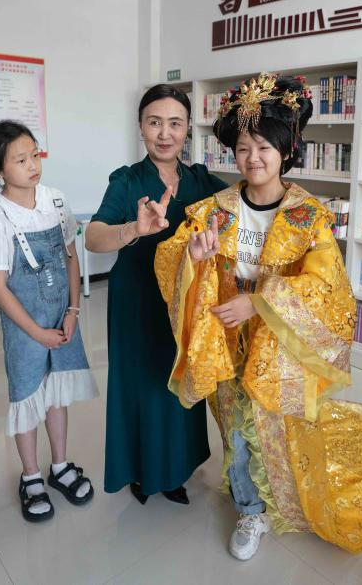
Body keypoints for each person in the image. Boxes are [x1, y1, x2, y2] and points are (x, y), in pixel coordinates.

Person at [155, 73, 362, 561]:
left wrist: (259, 301)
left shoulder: (309, 215)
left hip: (281, 342)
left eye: (264, 147)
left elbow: (326, 287)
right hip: (226, 337)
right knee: (234, 427)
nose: (253, 158)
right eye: (243, 148)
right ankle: (250, 508)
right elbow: (175, 255)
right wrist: (194, 259)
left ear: (287, 150)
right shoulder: (214, 210)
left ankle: (277, 493)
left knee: (275, 426)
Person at [85, 85, 227, 505]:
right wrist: (134, 228)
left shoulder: (201, 180)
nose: (165, 134)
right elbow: (93, 236)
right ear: (141, 127)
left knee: (179, 382)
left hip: (183, 303)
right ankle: (142, 472)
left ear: (187, 129)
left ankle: (175, 470)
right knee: (143, 385)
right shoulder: (127, 180)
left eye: (175, 123)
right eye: (155, 122)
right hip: (137, 299)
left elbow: (246, 201)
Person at [0, 120, 98, 522]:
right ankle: (31, 476)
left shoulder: (55, 200)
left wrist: (73, 311)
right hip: (25, 328)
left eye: (35, 154)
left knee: (57, 395)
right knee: (26, 398)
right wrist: (37, 332)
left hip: (62, 317)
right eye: (20, 160)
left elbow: (71, 258)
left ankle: (60, 466)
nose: (33, 165)